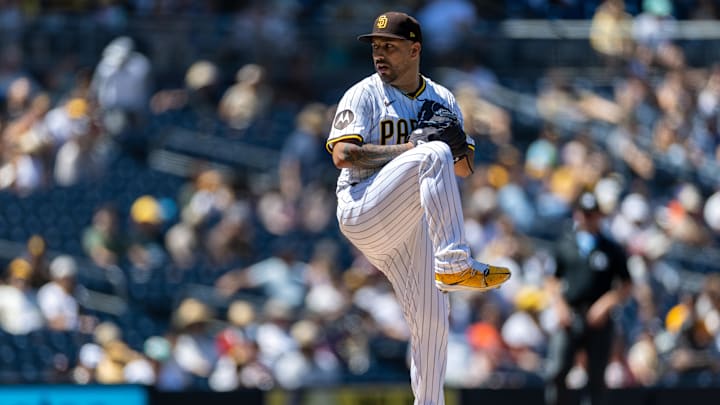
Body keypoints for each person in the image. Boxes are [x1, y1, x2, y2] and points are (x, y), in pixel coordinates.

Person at [326, 11, 511, 404]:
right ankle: (454, 263)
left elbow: (463, 168)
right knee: (432, 153)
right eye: (376, 47)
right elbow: (343, 154)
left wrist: (457, 143)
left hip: (408, 228)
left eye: (389, 46)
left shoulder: (442, 98)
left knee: (432, 321)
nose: (380, 54)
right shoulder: (364, 93)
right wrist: (412, 150)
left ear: (415, 49)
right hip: (363, 206)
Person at [543, 191, 633, 405]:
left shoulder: (611, 248)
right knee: (557, 371)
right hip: (570, 315)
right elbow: (551, 279)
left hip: (599, 320)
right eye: (584, 213)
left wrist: (606, 304)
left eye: (592, 214)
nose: (587, 218)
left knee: (596, 378)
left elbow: (626, 284)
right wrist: (559, 305)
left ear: (599, 216)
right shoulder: (565, 244)